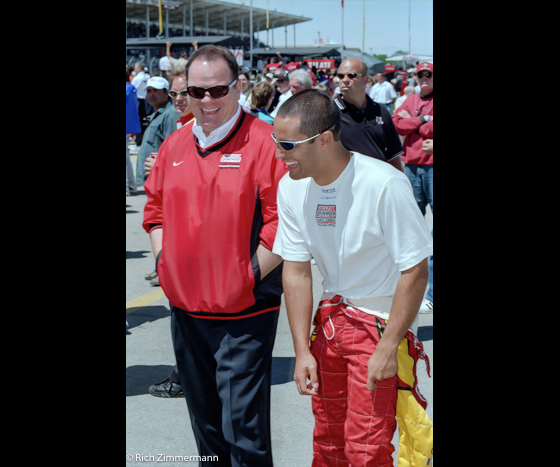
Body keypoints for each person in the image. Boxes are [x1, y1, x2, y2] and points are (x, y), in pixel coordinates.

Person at [271, 89, 434, 467]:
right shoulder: (291, 187)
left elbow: (415, 269)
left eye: (288, 145)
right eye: (276, 143)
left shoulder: (384, 184)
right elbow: (295, 272)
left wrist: (387, 348)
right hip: (329, 326)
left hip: (377, 329)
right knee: (327, 443)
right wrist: (301, 352)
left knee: (366, 449)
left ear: (324, 139)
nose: (279, 155)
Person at [142, 45, 287, 466]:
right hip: (186, 310)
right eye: (196, 92)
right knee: (205, 430)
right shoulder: (173, 145)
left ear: (238, 86)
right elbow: (154, 211)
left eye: (218, 90)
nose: (207, 101)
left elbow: (284, 222)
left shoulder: (264, 142)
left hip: (244, 314)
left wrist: (247, 275)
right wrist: (164, 263)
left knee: (243, 432)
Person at [392, 61, 433, 313]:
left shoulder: (411, 106)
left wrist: (417, 122)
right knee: (409, 229)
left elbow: (417, 126)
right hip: (412, 168)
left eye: (429, 74)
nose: (424, 78)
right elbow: (398, 125)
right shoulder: (410, 100)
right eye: (420, 75)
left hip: (431, 169)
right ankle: (410, 289)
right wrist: (425, 119)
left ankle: (431, 292)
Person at [334, 57, 405, 173]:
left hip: (379, 184)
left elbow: (393, 155)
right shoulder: (329, 112)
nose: (345, 80)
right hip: (346, 187)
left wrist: (400, 184)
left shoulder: (380, 110)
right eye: (341, 76)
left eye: (351, 75)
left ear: (365, 80)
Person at [126, 69, 141, 196]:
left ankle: (128, 185)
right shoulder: (131, 88)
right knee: (127, 157)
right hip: (129, 125)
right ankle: (131, 184)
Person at [130, 62, 150, 146]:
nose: (134, 69)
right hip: (147, 100)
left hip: (138, 100)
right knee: (145, 120)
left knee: (138, 120)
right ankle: (145, 138)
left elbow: (132, 89)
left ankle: (138, 140)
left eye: (135, 68)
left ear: (139, 68)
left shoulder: (136, 78)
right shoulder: (148, 77)